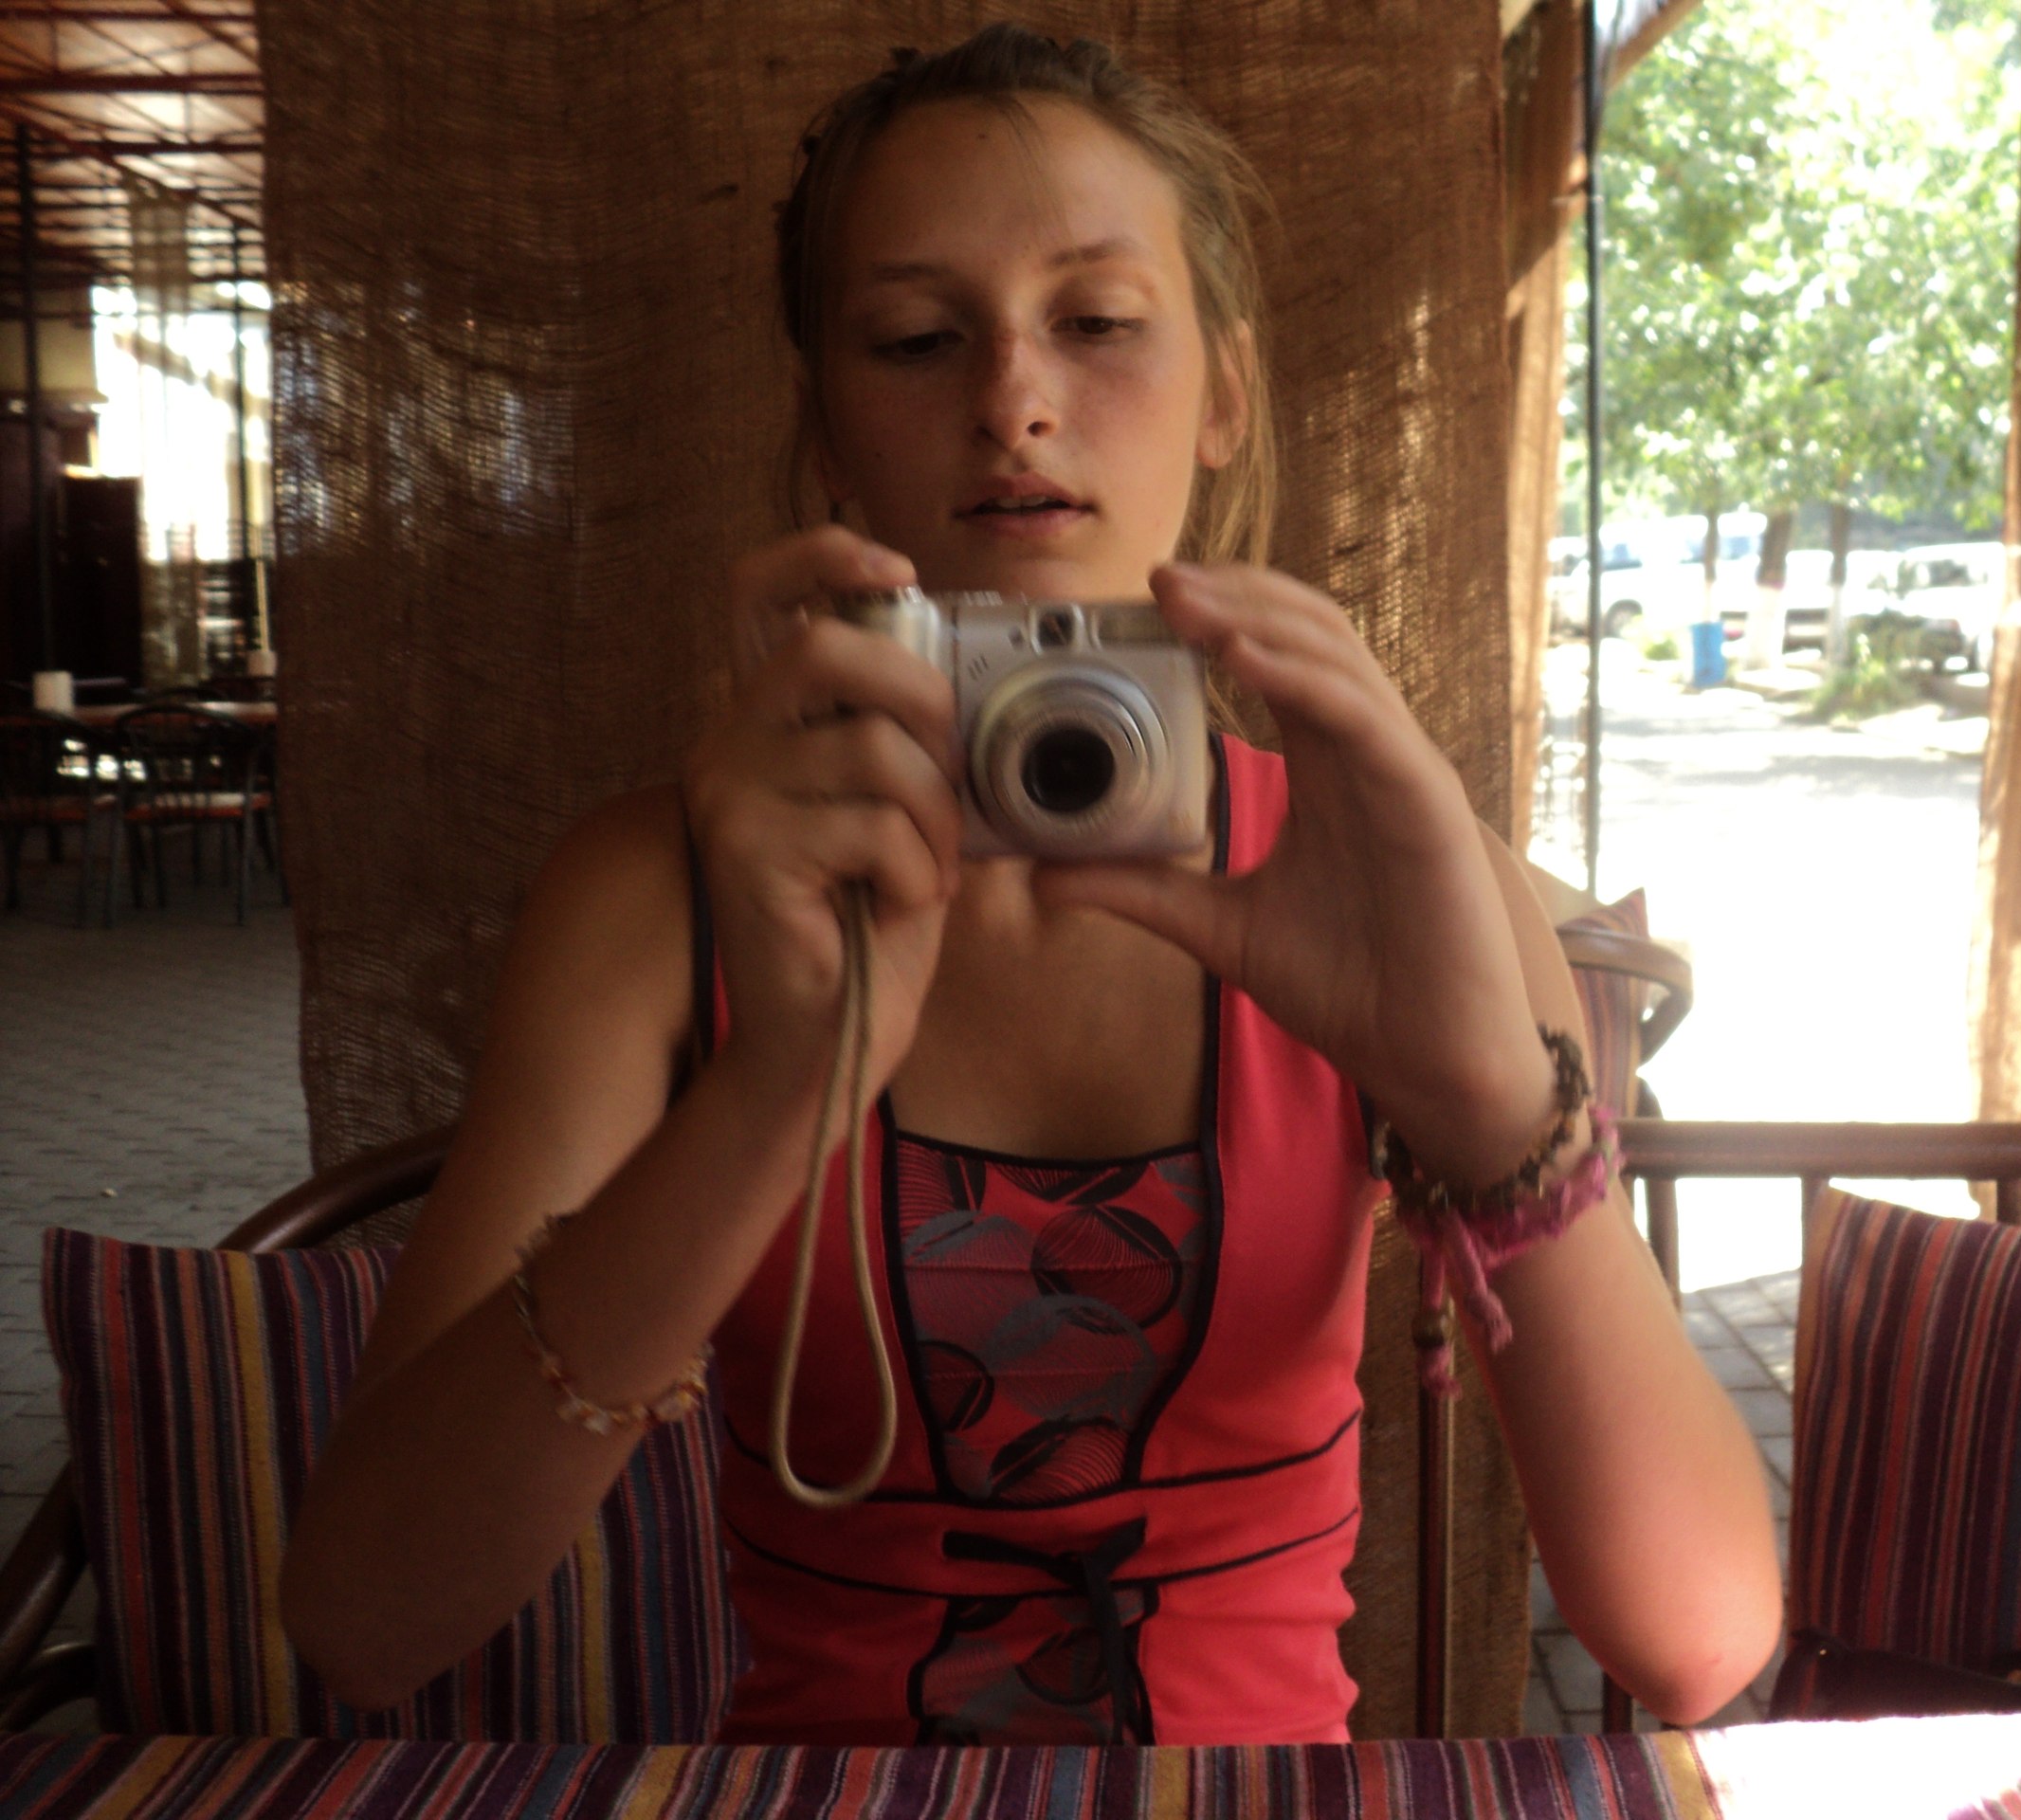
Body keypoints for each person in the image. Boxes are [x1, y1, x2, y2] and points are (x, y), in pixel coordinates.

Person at [282, 25, 1779, 1746]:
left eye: (1099, 321)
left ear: (1225, 396)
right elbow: (364, 1619)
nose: (1014, 398)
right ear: (827, 431)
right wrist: (772, 1091)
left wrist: (1491, 1109)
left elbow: (1699, 1642)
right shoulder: (667, 899)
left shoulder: (1388, 870)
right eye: (919, 339)